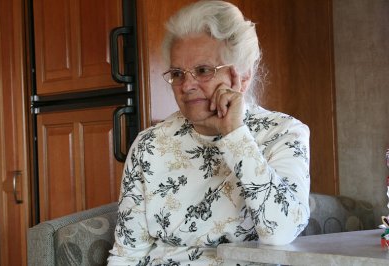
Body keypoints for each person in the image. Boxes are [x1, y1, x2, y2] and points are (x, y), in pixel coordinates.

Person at [108, 1, 310, 265]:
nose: (187, 85)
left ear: (244, 77)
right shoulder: (150, 145)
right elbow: (128, 254)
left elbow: (281, 231)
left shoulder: (283, 134)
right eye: (178, 73)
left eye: (203, 71)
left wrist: (235, 135)